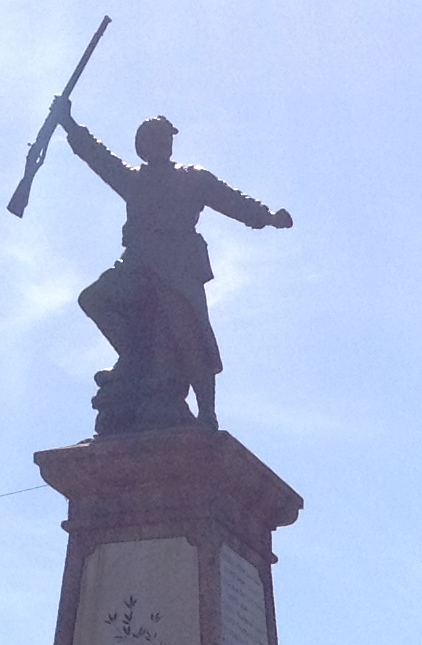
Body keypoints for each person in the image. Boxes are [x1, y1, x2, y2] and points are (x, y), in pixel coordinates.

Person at [52, 105, 293, 433]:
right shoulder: (133, 180)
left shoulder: (192, 178)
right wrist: (68, 123)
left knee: (190, 336)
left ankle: (207, 412)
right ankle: (135, 358)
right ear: (143, 146)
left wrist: (267, 216)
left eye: (165, 138)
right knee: (94, 299)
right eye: (154, 138)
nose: (162, 144)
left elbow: (230, 200)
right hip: (137, 264)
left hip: (178, 264)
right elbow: (98, 156)